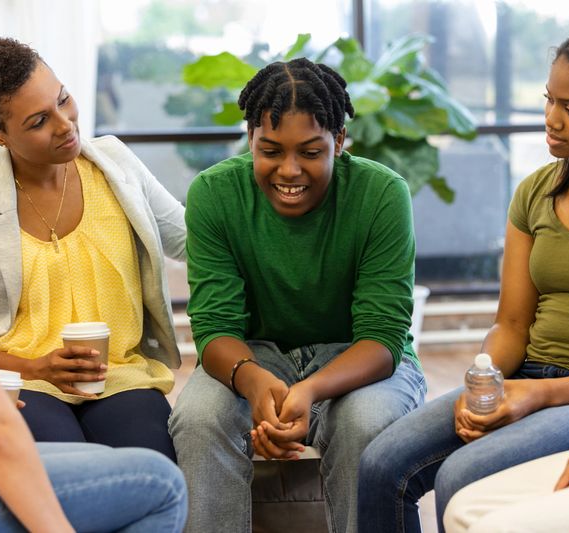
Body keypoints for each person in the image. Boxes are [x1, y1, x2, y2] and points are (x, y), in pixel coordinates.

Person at [357, 23, 569, 533]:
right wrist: (486, 382)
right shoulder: (536, 192)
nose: (551, 120)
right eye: (549, 100)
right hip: (530, 376)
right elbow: (512, 324)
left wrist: (540, 396)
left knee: (462, 478)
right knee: (381, 462)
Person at [0, 28, 186, 532]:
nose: (65, 124)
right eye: (37, 121)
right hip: (22, 381)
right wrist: (35, 364)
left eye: (63, 99)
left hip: (119, 374)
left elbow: (195, 241)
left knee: (150, 463)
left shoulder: (115, 162)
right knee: (70, 485)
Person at [168, 57, 427, 533]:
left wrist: (307, 391)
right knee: (201, 418)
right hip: (254, 356)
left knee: (365, 424)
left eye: (311, 152)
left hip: (357, 357)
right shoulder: (214, 194)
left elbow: (383, 337)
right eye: (270, 151)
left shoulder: (382, 193)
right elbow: (215, 328)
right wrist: (253, 382)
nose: (289, 171)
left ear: (340, 141)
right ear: (250, 139)